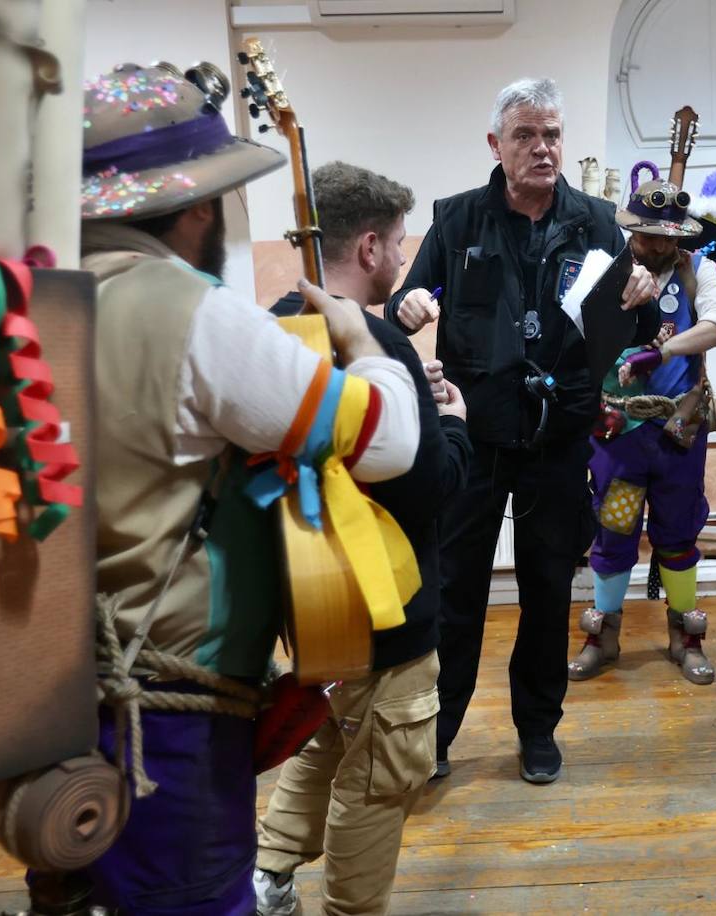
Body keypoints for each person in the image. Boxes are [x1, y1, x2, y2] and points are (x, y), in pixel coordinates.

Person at [75, 65, 419, 914]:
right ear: (197, 208)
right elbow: (386, 440)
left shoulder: (40, 297)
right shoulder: (187, 309)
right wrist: (365, 346)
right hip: (165, 705)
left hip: (56, 692)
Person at [385, 77, 659, 784]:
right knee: (456, 595)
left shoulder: (597, 223)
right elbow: (405, 300)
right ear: (496, 144)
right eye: (525, 136)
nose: (542, 148)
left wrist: (646, 297)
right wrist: (408, 305)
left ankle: (538, 731)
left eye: (552, 135)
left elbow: (636, 328)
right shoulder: (456, 221)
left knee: (546, 594)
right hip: (473, 438)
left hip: (558, 439)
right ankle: (437, 735)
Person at [255, 162, 473, 915]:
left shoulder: (273, 325)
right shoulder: (378, 342)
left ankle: (268, 875)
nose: (403, 260)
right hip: (389, 605)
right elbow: (431, 486)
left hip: (311, 598)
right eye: (400, 244)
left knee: (331, 730)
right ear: (370, 246)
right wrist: (452, 422)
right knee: (384, 771)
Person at [567, 162, 716, 685]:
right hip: (616, 434)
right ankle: (603, 636)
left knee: (678, 533)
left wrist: (662, 351)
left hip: (676, 433)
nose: (660, 246)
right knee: (614, 530)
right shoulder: (603, 268)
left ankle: (686, 637)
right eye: (649, 236)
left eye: (669, 237)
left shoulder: (697, 270)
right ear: (632, 231)